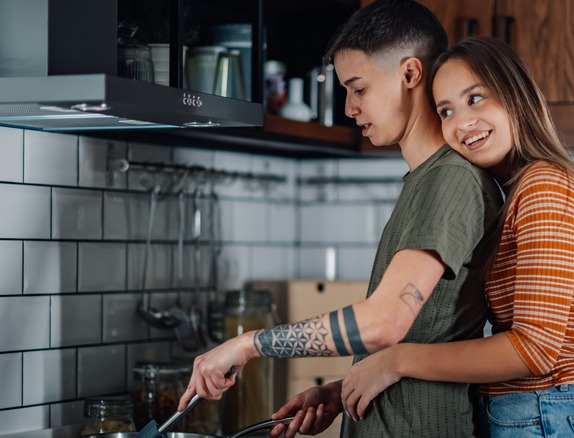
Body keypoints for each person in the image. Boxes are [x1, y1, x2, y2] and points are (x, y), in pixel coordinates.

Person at [178, 2, 503, 437]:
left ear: (409, 74)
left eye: (359, 88)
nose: (349, 107)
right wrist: (342, 390)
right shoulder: (425, 181)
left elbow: (384, 323)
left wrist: (247, 344)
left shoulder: (450, 180)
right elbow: (424, 334)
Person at [339, 36, 574, 438]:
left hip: (547, 416)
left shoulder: (546, 186)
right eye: (446, 111)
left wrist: (397, 361)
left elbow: (533, 349)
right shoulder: (518, 192)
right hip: (530, 415)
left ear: (515, 94)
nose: (462, 123)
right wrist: (353, 384)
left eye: (475, 99)